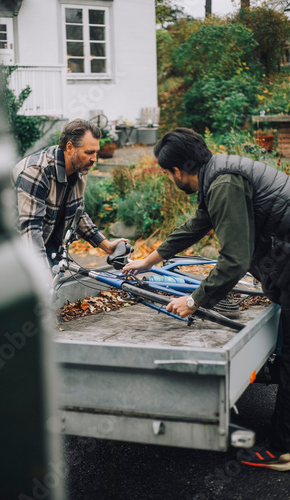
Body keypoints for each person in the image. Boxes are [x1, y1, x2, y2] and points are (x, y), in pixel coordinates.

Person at [123, 127, 290, 471]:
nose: (170, 180)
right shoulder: (219, 173)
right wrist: (150, 259)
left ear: (177, 171)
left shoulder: (223, 184)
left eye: (167, 174)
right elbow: (198, 224)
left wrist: (195, 301)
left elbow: (234, 260)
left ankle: (282, 449)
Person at [13, 118, 126, 272]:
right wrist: (42, 273)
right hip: (16, 247)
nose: (94, 159)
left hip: (49, 239)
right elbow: (30, 230)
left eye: (96, 152)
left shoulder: (79, 168)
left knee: (55, 287)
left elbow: (77, 213)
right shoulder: (36, 171)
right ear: (70, 147)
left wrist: (105, 245)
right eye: (89, 152)